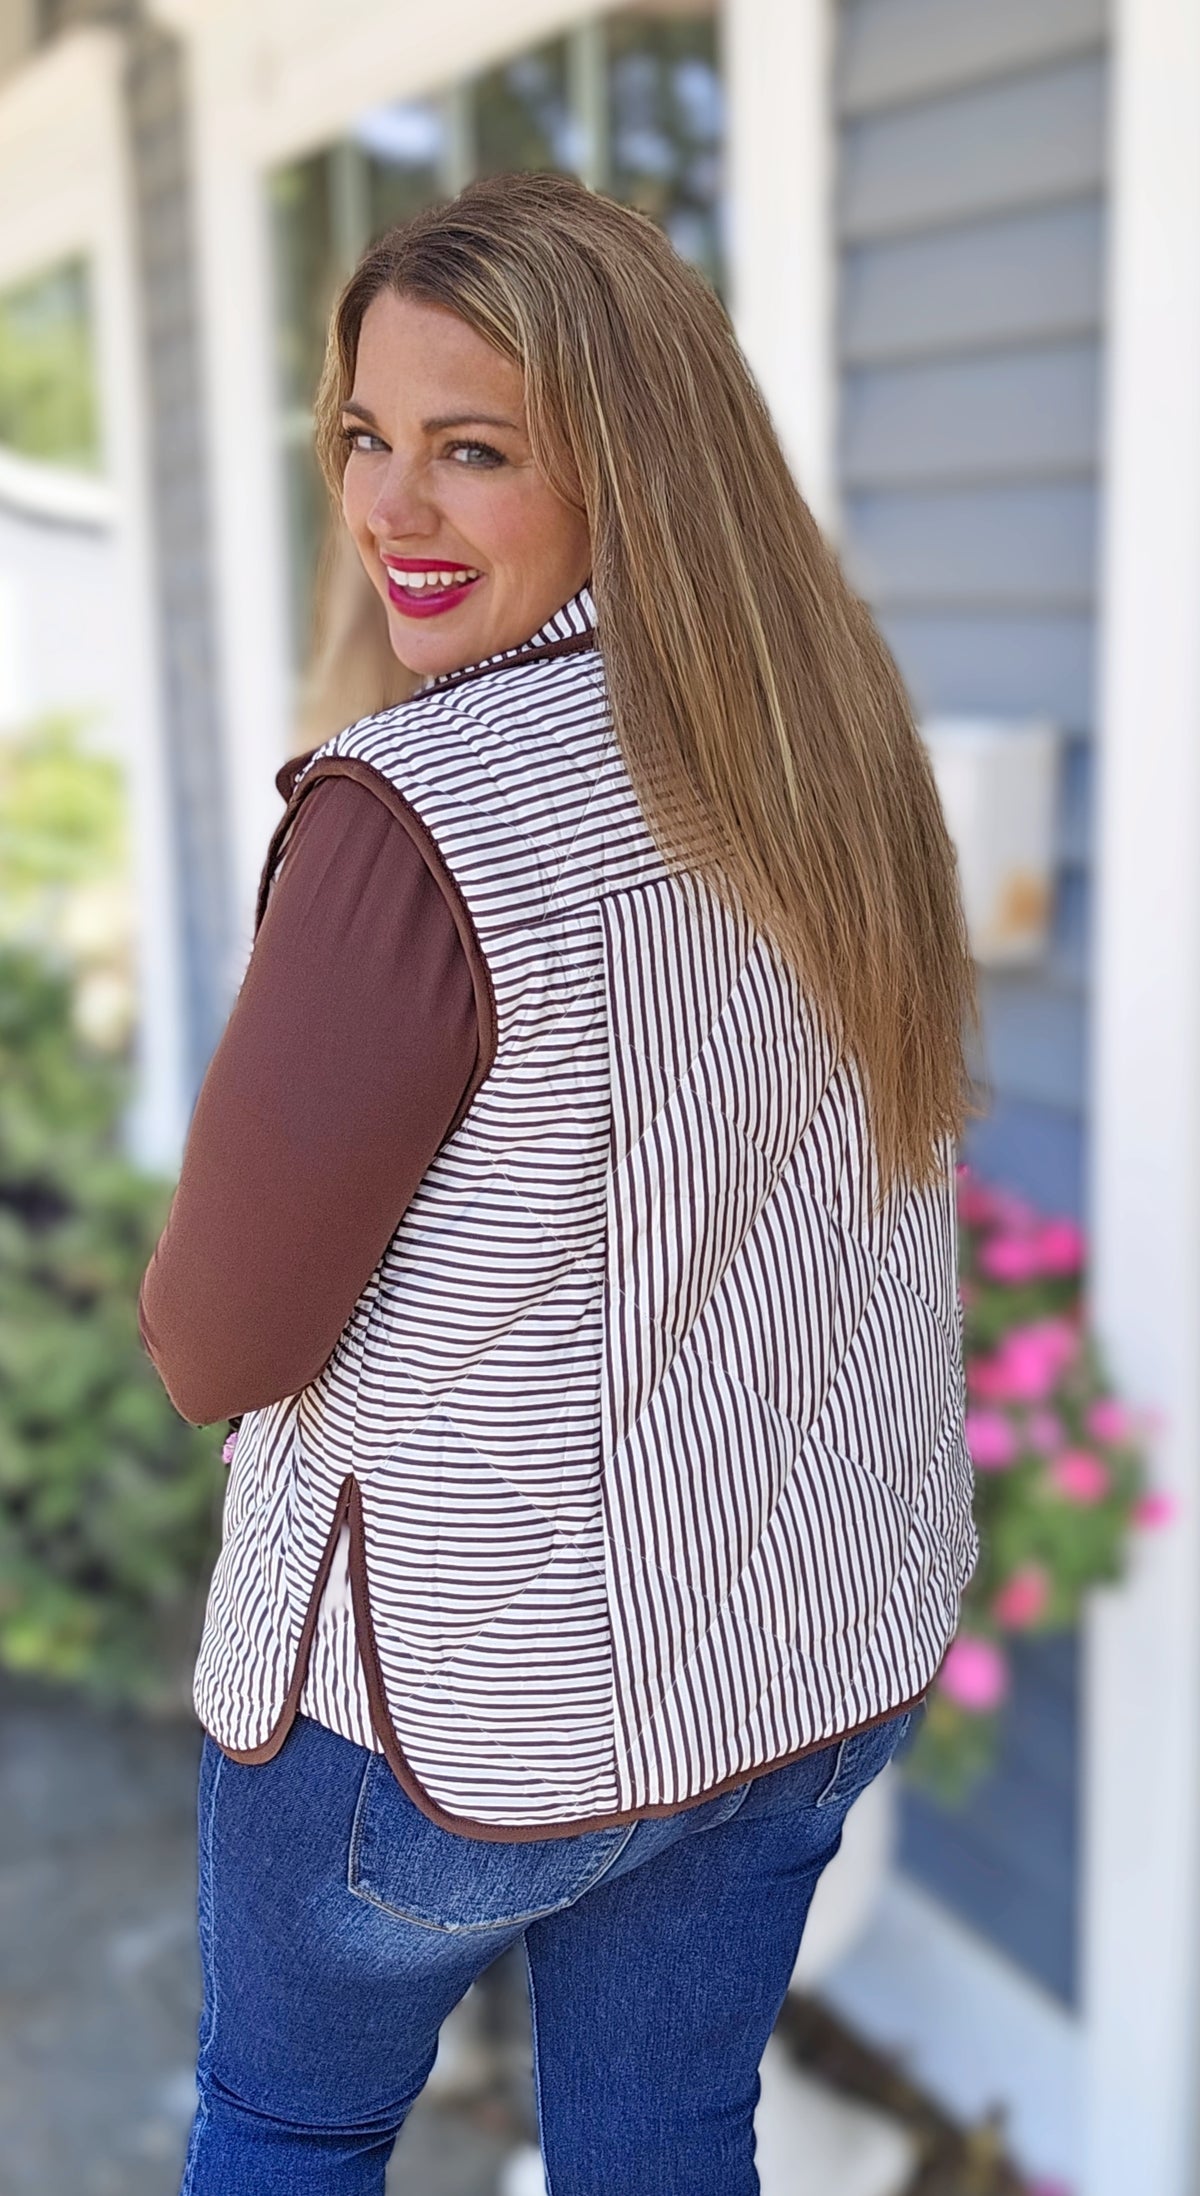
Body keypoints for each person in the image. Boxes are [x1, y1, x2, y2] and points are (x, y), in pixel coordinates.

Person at [140, 171, 979, 2196]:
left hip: (448, 1713)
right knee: (667, 2138)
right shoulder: (834, 759)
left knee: (292, 2128)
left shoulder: (413, 820)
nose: (391, 507)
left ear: (632, 467)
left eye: (476, 450)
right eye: (365, 436)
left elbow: (217, 1341)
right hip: (792, 1655)